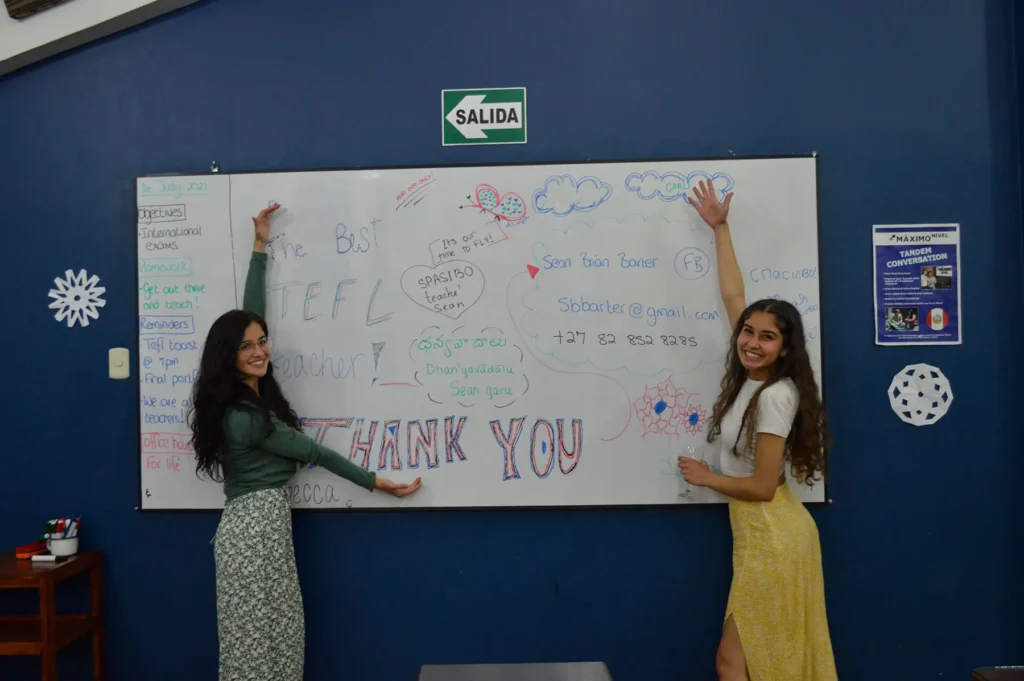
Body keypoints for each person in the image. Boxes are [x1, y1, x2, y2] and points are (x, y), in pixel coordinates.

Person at [188, 202, 422, 681]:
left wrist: (259, 245)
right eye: (246, 346)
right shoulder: (245, 417)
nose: (260, 351)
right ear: (227, 356)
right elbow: (314, 452)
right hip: (252, 538)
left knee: (280, 642)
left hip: (263, 532)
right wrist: (375, 481)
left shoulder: (248, 396)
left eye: (262, 341)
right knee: (256, 654)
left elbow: (252, 315)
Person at [677, 181, 837, 681]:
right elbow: (734, 295)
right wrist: (720, 228)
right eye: (748, 331)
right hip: (760, 536)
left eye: (767, 337)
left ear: (785, 349)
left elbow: (764, 487)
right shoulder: (755, 380)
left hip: (774, 536)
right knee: (756, 662)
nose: (751, 341)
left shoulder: (775, 396)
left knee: (743, 662)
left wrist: (706, 478)